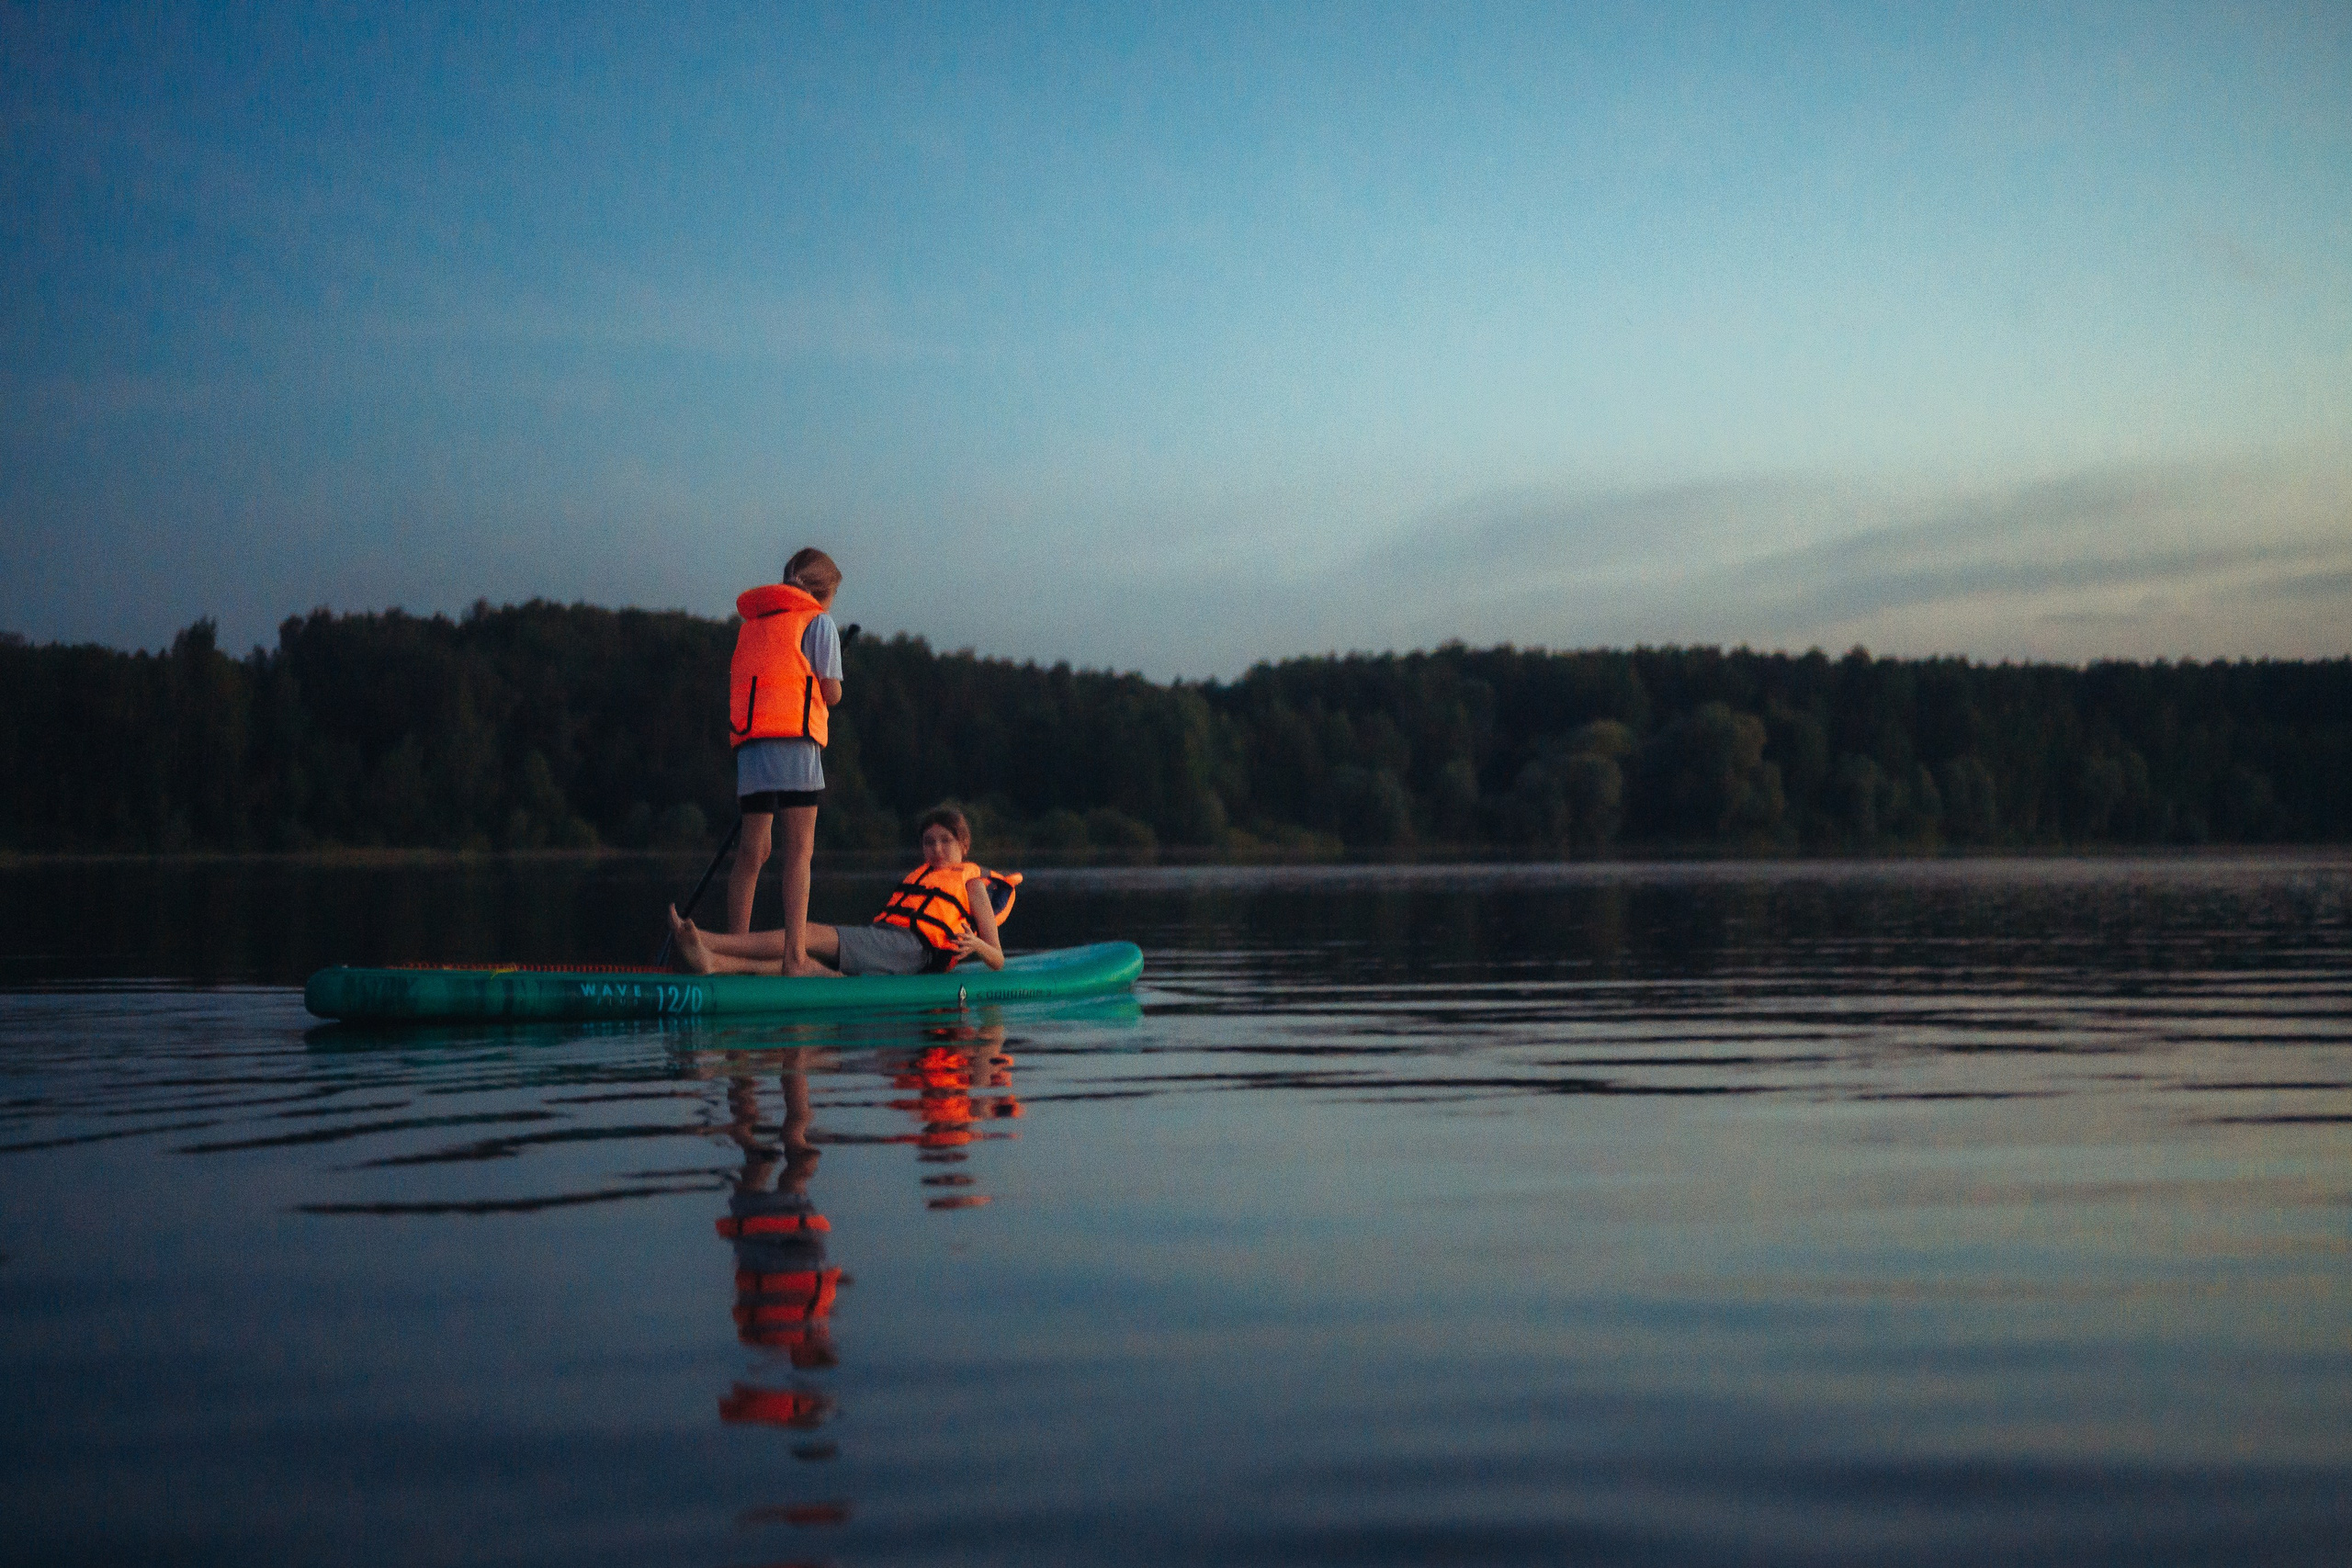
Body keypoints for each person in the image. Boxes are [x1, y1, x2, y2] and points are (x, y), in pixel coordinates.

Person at [671, 807, 1011, 977]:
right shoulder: (925, 876)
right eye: (929, 842)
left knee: (805, 935)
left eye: (945, 841)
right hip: (889, 941)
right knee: (801, 958)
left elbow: (997, 959)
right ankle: (715, 962)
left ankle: (707, 940)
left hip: (912, 950)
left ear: (964, 845)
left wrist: (976, 945)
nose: (936, 849)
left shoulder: (972, 885)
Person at [727, 547, 844, 976]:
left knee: (753, 850)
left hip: (752, 744)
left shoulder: (753, 625)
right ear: (824, 592)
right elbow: (831, 692)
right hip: (795, 741)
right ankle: (795, 957)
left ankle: (734, 951)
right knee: (798, 850)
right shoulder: (819, 622)